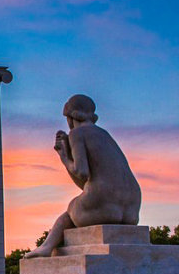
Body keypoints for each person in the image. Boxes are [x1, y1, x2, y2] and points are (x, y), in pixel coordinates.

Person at [25, 95, 141, 258]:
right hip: (132, 208)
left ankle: (46, 247)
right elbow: (90, 181)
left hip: (104, 201)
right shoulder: (104, 134)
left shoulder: (77, 134)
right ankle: (46, 246)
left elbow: (82, 172)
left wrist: (64, 157)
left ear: (70, 117)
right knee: (81, 203)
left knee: (71, 209)